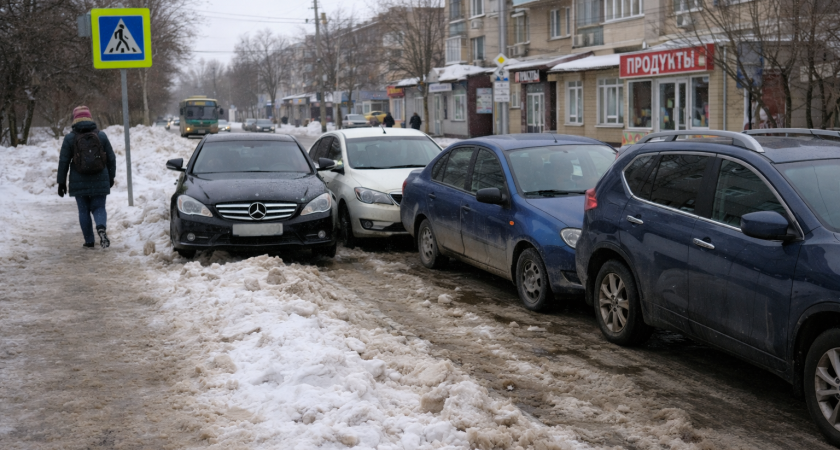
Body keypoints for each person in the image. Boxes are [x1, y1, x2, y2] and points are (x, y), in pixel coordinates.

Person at [57, 106, 117, 249]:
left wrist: (61, 182)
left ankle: (89, 241)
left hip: (79, 180)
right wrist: (111, 177)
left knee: (83, 211)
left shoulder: (70, 138)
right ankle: (101, 228)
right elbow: (111, 158)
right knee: (99, 207)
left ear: (75, 120)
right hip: (100, 178)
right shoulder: (101, 136)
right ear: (90, 118)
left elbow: (64, 161)